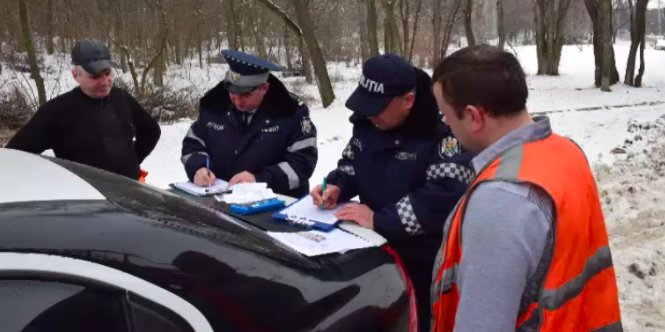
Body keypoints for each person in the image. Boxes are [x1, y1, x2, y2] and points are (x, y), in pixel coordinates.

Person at [430, 45, 622, 332]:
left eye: (446, 114)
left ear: (474, 116)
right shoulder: (565, 152)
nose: (445, 123)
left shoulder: (501, 198)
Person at [310, 53, 474, 331]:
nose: (371, 114)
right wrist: (337, 185)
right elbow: (352, 162)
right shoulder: (368, 123)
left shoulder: (443, 133)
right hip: (372, 250)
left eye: (378, 107)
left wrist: (379, 220)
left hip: (423, 264)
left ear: (408, 100)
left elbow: (442, 199)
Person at [6, 38, 161, 180]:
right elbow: (14, 155)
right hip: (86, 201)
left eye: (107, 73)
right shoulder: (57, 111)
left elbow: (151, 131)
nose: (104, 82)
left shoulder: (121, 98)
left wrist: (132, 162)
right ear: (76, 75)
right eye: (95, 76)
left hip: (129, 190)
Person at [181, 50, 317, 198]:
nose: (237, 101)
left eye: (245, 94)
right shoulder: (214, 105)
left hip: (273, 208)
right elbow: (192, 144)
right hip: (218, 203)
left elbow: (302, 164)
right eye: (232, 92)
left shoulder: (290, 113)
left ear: (264, 88)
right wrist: (198, 167)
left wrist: (260, 180)